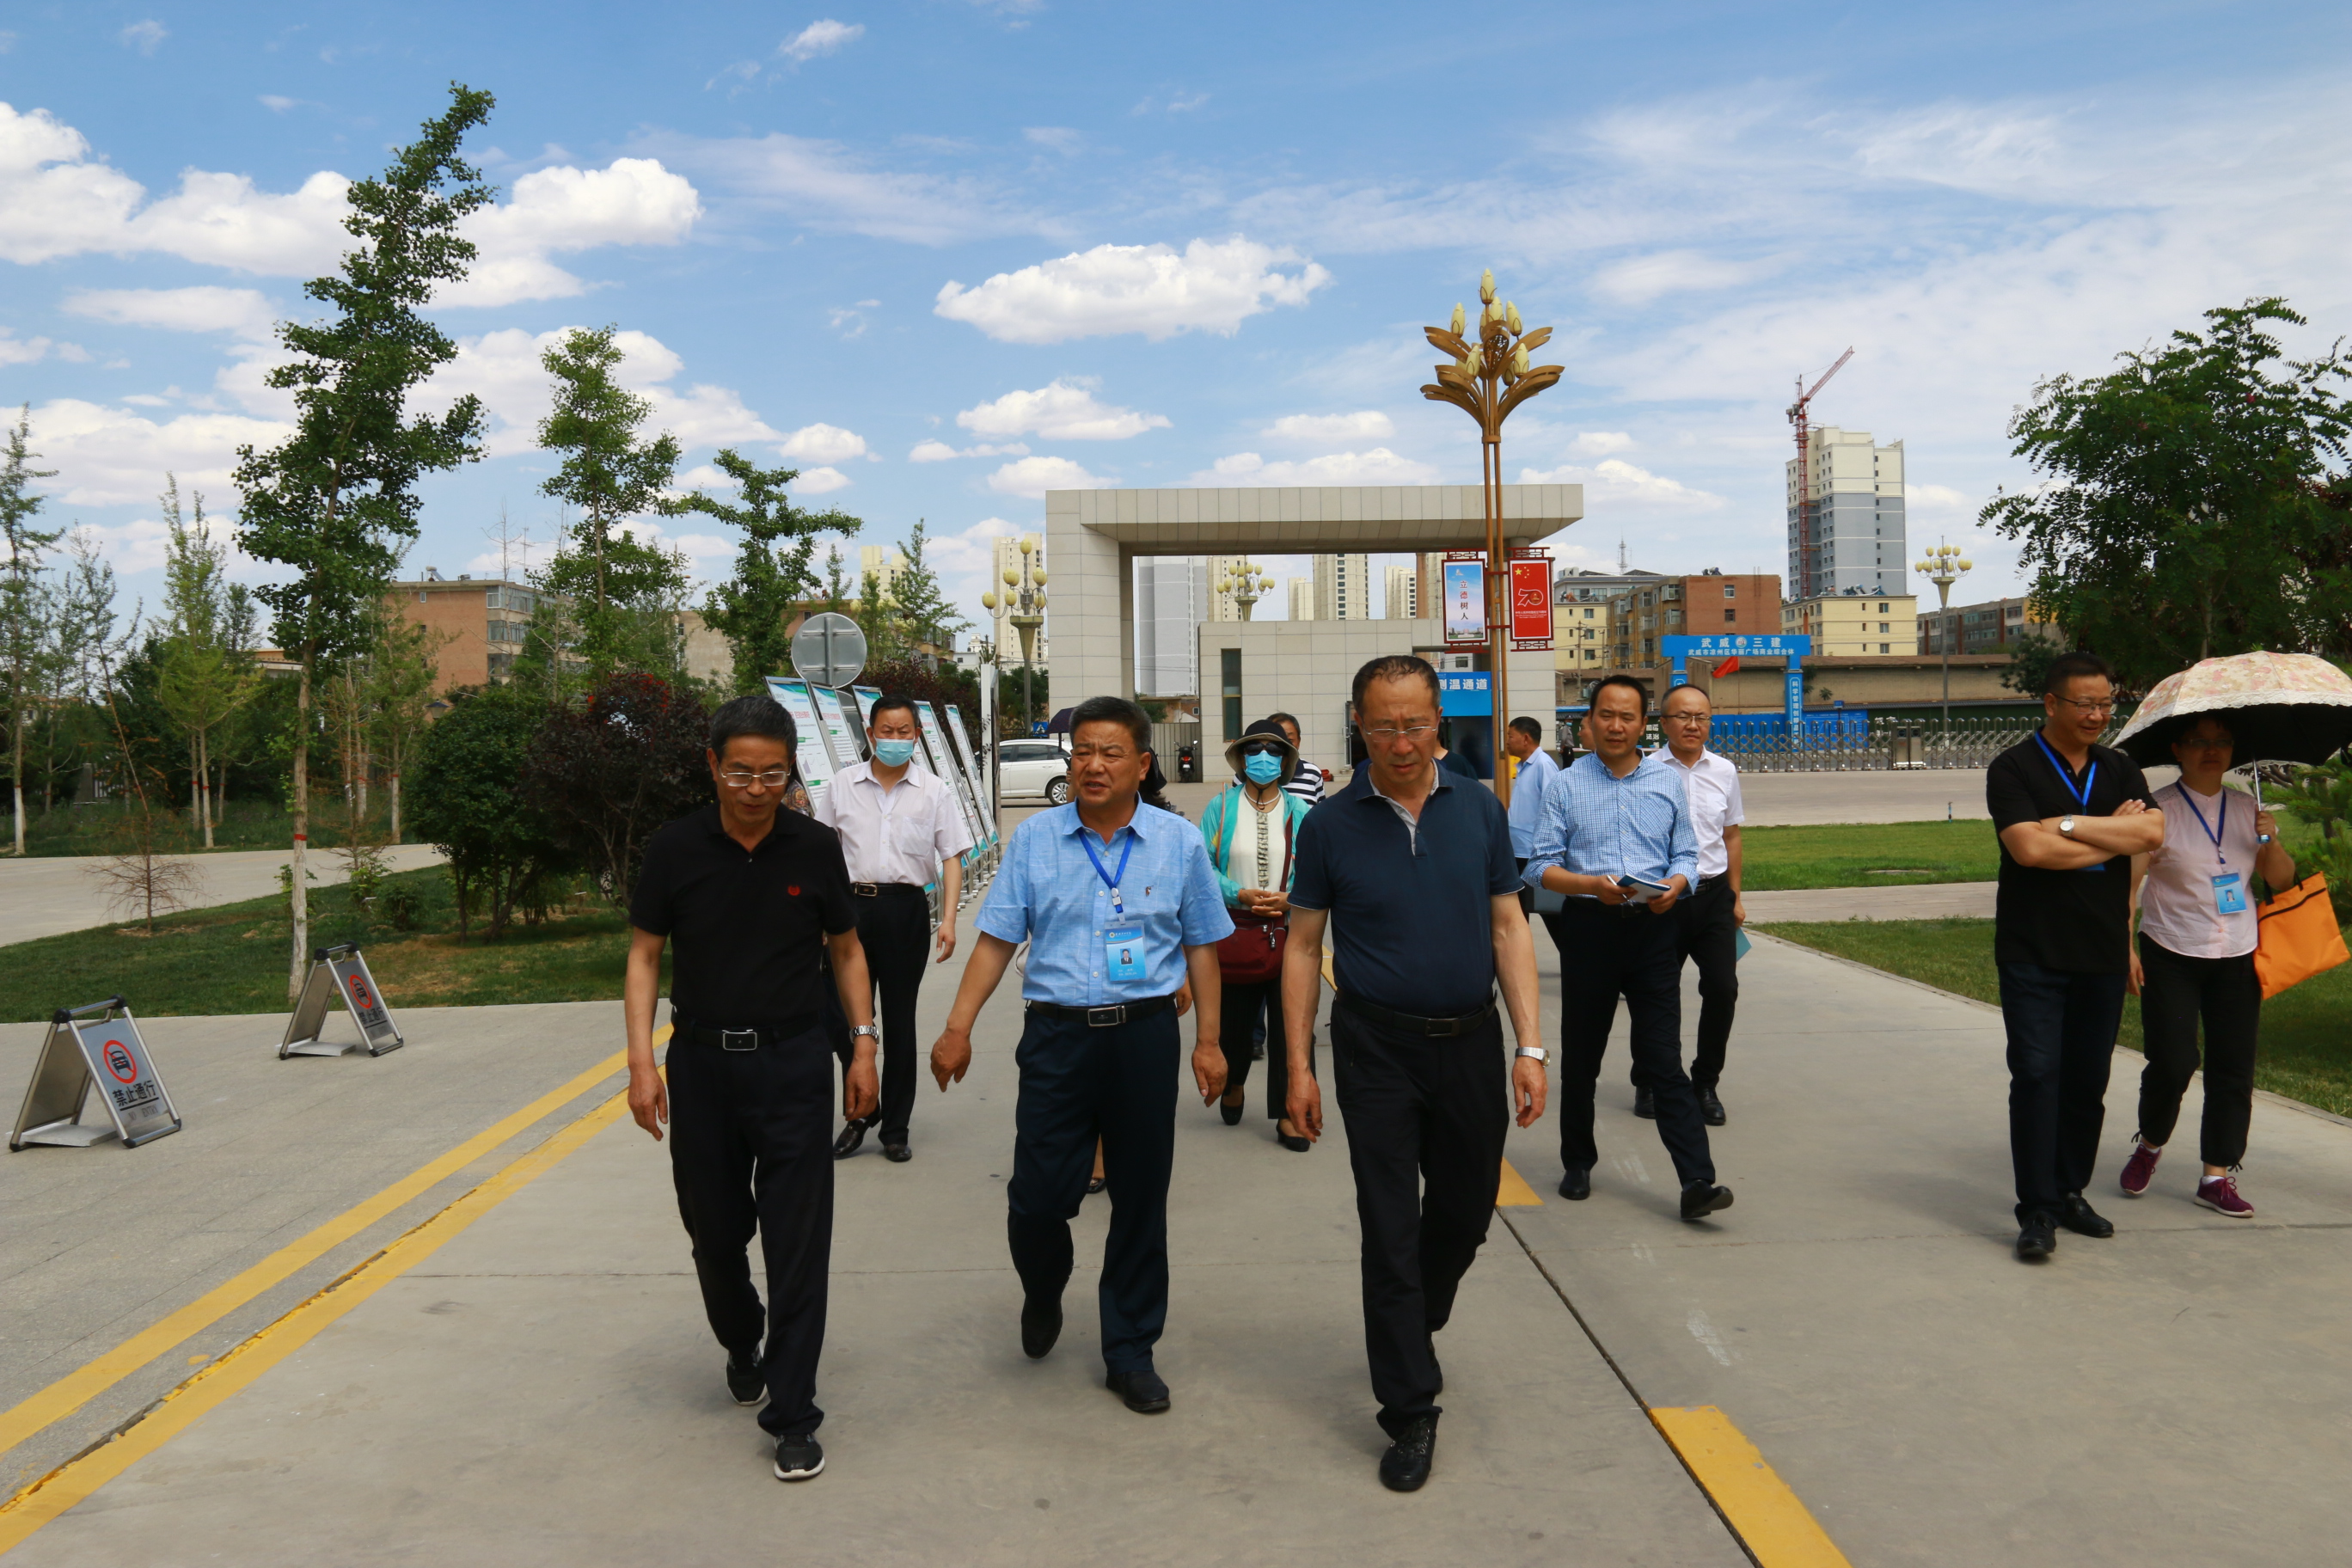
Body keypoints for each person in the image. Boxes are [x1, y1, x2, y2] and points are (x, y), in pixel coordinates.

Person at [1283, 655, 1547, 1493]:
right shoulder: (1329, 826)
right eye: (1382, 727)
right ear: (1357, 727)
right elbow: (1302, 946)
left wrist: (1530, 1047)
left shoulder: (1480, 808)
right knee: (1390, 1225)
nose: (1400, 743)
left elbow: (1508, 925)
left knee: (1465, 1214)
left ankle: (1416, 1318)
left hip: (1469, 1041)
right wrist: (1299, 1067)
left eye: (1415, 725)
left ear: (1439, 724)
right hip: (1376, 1048)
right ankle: (1408, 1405)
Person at [929, 695, 1234, 1415]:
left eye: (1110, 753)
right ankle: (1044, 1289)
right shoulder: (1036, 839)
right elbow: (998, 939)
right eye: (1083, 752)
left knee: (1140, 1198)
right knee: (1036, 1200)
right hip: (1057, 1037)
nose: (1093, 765)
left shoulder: (1177, 842)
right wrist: (956, 1028)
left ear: (1142, 764)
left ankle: (1130, 1351)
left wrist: (1210, 1042)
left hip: (1143, 1035)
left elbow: (1201, 945)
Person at [623, 695, 879, 1484]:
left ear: (791, 772)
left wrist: (862, 1045)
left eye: (773, 774)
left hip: (794, 1063)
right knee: (715, 1231)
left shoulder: (814, 847)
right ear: (713, 766)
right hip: (702, 1066)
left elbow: (846, 949)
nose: (757, 788)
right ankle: (742, 1338)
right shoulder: (675, 848)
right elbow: (644, 956)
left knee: (798, 1244)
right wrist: (641, 1064)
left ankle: (794, 1414)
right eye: (741, 772)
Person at [1525, 674, 1732, 1221]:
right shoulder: (1566, 785)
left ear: (1644, 724)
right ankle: (1577, 1161)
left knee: (1664, 1058)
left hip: (1654, 931)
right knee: (1582, 1056)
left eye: (1627, 717)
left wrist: (1677, 886)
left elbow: (1686, 854)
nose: (1616, 726)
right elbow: (1540, 866)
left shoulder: (1666, 782)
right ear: (1589, 722)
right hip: (1590, 930)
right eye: (1606, 715)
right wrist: (1588, 885)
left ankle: (1697, 1180)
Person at [1988, 651, 2164, 1261]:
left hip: (2101, 951)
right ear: (2051, 703)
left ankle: (2069, 1193)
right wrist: (2108, 837)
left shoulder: (2120, 767)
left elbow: (2152, 834)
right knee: (2038, 1076)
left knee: (2087, 1082)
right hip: (2032, 952)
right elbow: (2028, 852)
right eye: (2085, 704)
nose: (2097, 715)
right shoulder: (2013, 767)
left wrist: (2064, 825)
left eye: (2106, 703)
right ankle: (2037, 1209)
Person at [2120, 714, 2289, 1216]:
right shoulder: (2159, 812)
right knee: (2173, 1061)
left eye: (2221, 742)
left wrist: (2270, 839)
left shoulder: (2248, 809)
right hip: (2172, 950)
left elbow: (2282, 879)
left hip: (2237, 953)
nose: (2211, 751)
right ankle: (2150, 1143)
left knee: (2233, 1068)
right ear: (2178, 749)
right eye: (2199, 742)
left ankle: (2215, 1175)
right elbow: (2129, 886)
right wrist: (2124, 946)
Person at [816, 693, 975, 1163]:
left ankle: (896, 1128)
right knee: (842, 1018)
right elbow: (821, 853)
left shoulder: (933, 790)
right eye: (886, 731)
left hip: (905, 911)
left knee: (900, 1021)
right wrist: (819, 918)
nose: (895, 739)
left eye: (904, 731)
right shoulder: (842, 785)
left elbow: (952, 857)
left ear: (917, 736)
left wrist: (948, 919)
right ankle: (862, 1112)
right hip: (848, 912)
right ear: (870, 733)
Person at [1199, 719, 1316, 1148]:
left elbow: (1316, 870)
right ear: (1241, 758)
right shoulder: (1220, 807)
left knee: (1291, 1026)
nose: (1264, 757)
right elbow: (1202, 867)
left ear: (1286, 761)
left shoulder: (1300, 812)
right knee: (1235, 1025)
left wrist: (1290, 898)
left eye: (1274, 750)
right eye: (1255, 749)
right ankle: (1234, 1082)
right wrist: (1239, 893)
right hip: (1236, 932)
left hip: (1289, 933)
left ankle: (1289, 1113)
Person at [1643, 683, 1744, 1127]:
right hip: (1663, 899)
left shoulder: (1724, 770)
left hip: (1713, 896)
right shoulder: (1646, 770)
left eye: (1701, 717)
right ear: (1663, 723)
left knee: (1722, 988)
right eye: (1683, 716)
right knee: (1656, 993)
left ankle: (1705, 1083)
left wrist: (1736, 897)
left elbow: (1731, 835)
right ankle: (1650, 1079)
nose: (1693, 725)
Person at [1504, 715, 1560, 916]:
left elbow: (1555, 809)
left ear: (1526, 738)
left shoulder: (1543, 765)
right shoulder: (1524, 766)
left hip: (1531, 853)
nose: (1507, 741)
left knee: (1539, 909)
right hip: (1518, 851)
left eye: (1510, 736)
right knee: (1520, 910)